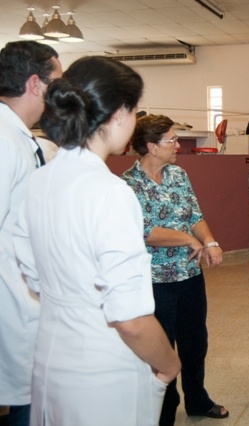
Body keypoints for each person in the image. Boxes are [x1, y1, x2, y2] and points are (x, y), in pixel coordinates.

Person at [12, 56, 180, 426]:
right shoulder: (110, 192)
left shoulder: (39, 181)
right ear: (118, 113)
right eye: (135, 111)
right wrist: (169, 363)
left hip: (52, 358)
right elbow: (130, 318)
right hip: (102, 370)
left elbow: (32, 273)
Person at [122, 114, 228, 424]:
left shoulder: (178, 175)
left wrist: (209, 242)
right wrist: (185, 239)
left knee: (195, 343)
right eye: (172, 140)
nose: (178, 145)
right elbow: (143, 231)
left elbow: (195, 215)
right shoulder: (128, 185)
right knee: (162, 349)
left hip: (189, 276)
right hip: (154, 282)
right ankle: (164, 411)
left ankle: (197, 400)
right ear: (152, 146)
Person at [0, 40, 61, 426]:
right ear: (36, 84)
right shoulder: (5, 143)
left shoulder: (21, 139)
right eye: (58, 81)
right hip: (11, 298)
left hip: (25, 296)